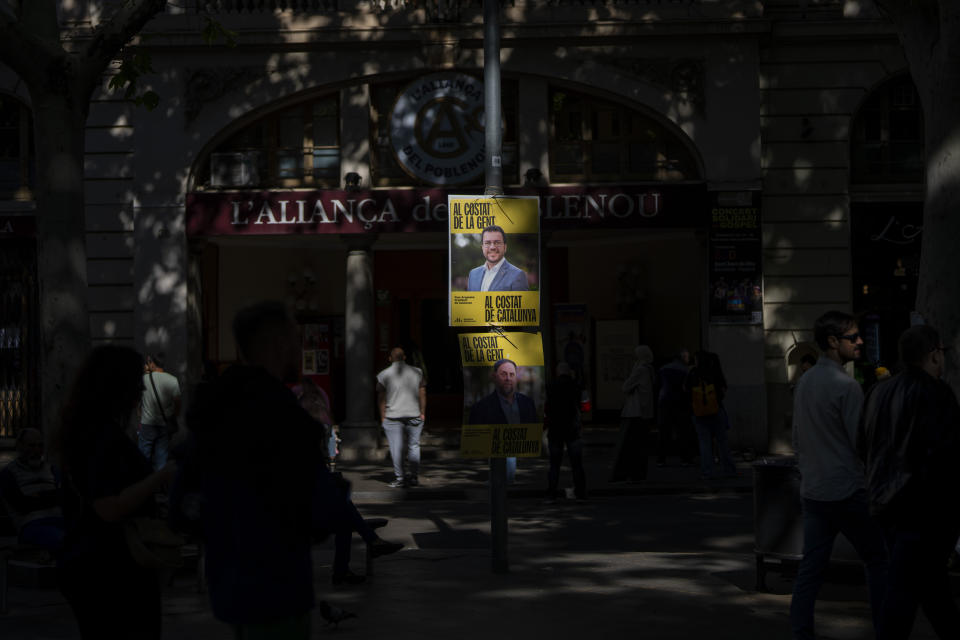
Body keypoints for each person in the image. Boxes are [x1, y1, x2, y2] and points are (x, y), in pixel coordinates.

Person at [186, 301, 401, 635]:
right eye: (293, 338)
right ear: (276, 343)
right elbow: (319, 513)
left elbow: (184, 505)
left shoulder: (210, 407)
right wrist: (336, 492)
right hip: (279, 582)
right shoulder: (285, 417)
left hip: (228, 583)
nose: (298, 348)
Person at [54, 345, 178, 639]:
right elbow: (109, 506)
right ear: (115, 387)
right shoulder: (98, 436)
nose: (140, 392)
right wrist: (161, 476)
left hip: (104, 565)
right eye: (136, 384)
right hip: (107, 571)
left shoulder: (91, 430)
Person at [790, 310, 887, 640]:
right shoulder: (847, 387)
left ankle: (801, 632)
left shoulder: (804, 382)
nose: (860, 342)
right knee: (877, 559)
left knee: (811, 569)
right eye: (853, 337)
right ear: (833, 342)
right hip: (847, 488)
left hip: (814, 489)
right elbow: (862, 444)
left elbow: (796, 438)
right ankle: (886, 629)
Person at [860, 324, 960, 639]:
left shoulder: (878, 391)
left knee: (931, 590)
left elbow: (862, 445)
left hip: (886, 505)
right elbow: (945, 456)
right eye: (942, 353)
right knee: (904, 593)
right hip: (922, 511)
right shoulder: (935, 392)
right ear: (933, 354)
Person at [469, 358, 538, 484]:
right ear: (494, 377)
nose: (508, 378)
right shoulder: (482, 406)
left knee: (507, 478)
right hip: (495, 448)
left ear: (516, 377)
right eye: (503, 374)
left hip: (517, 445)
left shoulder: (527, 403)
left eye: (512, 375)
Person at [0, 428, 64, 553]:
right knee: (62, 540)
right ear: (19, 446)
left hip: (60, 520)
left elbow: (65, 497)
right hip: (32, 525)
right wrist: (52, 497)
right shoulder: (8, 473)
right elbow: (22, 506)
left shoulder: (52, 469)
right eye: (31, 446)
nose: (37, 451)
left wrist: (38, 497)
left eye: (40, 446)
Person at [376, 347, 427, 488]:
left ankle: (400, 478)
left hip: (392, 415)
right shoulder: (418, 372)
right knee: (414, 445)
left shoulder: (383, 375)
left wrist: (382, 417)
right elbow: (422, 393)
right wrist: (422, 411)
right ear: (404, 357)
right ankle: (414, 477)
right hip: (414, 413)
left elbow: (381, 398)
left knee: (396, 447)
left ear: (390, 359)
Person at [685, 350, 737, 480]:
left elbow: (685, 391)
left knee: (704, 443)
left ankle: (708, 472)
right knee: (722, 441)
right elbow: (723, 390)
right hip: (716, 410)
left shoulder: (692, 373)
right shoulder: (714, 372)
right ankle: (729, 470)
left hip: (698, 413)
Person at [610, 346, 656, 482]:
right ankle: (639, 474)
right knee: (641, 446)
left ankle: (631, 474)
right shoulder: (650, 369)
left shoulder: (640, 370)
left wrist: (633, 372)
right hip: (646, 413)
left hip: (635, 412)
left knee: (631, 446)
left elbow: (625, 386)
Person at [544, 362, 586, 501]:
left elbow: (545, 407)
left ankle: (551, 494)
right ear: (570, 372)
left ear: (557, 372)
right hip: (573, 429)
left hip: (555, 429)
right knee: (577, 464)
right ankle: (580, 493)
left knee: (554, 465)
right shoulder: (577, 386)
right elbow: (586, 406)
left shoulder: (550, 386)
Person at [139, 354, 181, 471]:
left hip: (147, 424)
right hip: (164, 424)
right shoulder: (172, 380)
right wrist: (174, 415)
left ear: (152, 364)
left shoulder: (143, 379)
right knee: (161, 458)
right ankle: (159, 483)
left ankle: (144, 483)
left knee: (143, 457)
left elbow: (138, 400)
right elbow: (178, 402)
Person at [657, 348, 693, 466]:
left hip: (665, 401)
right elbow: (687, 388)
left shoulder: (663, 369)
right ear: (682, 358)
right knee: (683, 431)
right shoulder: (686, 370)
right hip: (681, 402)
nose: (689, 359)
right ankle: (685, 458)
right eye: (687, 357)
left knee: (664, 431)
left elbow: (659, 385)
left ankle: (661, 459)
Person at [466, 225, 529, 292]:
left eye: (497, 243)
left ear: (505, 247)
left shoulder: (518, 275)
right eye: (487, 243)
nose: (492, 247)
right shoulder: (473, 274)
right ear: (482, 247)